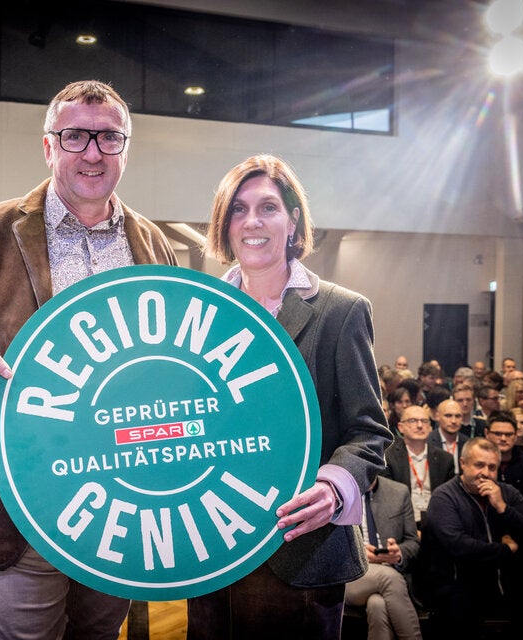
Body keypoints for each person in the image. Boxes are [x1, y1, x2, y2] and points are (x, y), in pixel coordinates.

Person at [0, 80, 178, 639]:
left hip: (123, 507)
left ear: (125, 148)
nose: (92, 153)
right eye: (75, 135)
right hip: (24, 504)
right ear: (48, 146)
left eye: (109, 138)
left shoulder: (152, 243)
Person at [184, 154, 391, 638]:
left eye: (268, 207)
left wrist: (333, 488)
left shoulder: (340, 311)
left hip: (301, 548)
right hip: (213, 551)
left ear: (293, 219)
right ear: (223, 223)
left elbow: (369, 432)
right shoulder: (197, 315)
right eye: (238, 209)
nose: (252, 221)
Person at [419, 438, 523, 638]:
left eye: (492, 467)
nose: (485, 472)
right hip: (459, 588)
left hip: (510, 586)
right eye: (479, 465)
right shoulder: (444, 496)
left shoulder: (507, 493)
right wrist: (506, 550)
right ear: (463, 464)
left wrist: (503, 508)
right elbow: (460, 546)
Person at [343, 476, 422, 640]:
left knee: (377, 605)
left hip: (390, 571)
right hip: (353, 576)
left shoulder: (399, 492)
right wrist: (357, 552)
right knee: (389, 578)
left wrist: (398, 553)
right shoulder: (339, 493)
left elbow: (413, 542)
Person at [383, 405, 455, 528]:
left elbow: (448, 501)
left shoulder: (445, 459)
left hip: (436, 524)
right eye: (413, 421)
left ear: (430, 428)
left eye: (424, 421)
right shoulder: (389, 458)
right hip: (401, 524)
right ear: (401, 427)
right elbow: (387, 500)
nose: (420, 425)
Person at [485, 410, 523, 505]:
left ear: (516, 435)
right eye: (498, 434)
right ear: (487, 433)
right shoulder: (478, 465)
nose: (503, 439)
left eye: (508, 434)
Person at [427, 398, 467, 474]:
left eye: (458, 416)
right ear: (437, 417)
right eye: (448, 416)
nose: (453, 421)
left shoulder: (467, 443)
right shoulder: (427, 442)